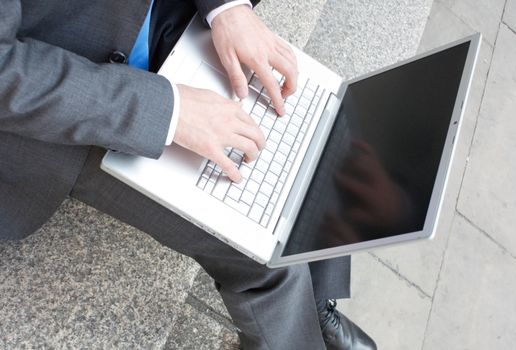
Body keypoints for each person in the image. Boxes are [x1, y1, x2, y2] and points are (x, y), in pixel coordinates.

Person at [0, 0, 377, 349]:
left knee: (318, 135)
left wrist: (226, 8)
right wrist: (170, 112)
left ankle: (313, 306)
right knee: (265, 255)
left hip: (156, 15)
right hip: (66, 95)